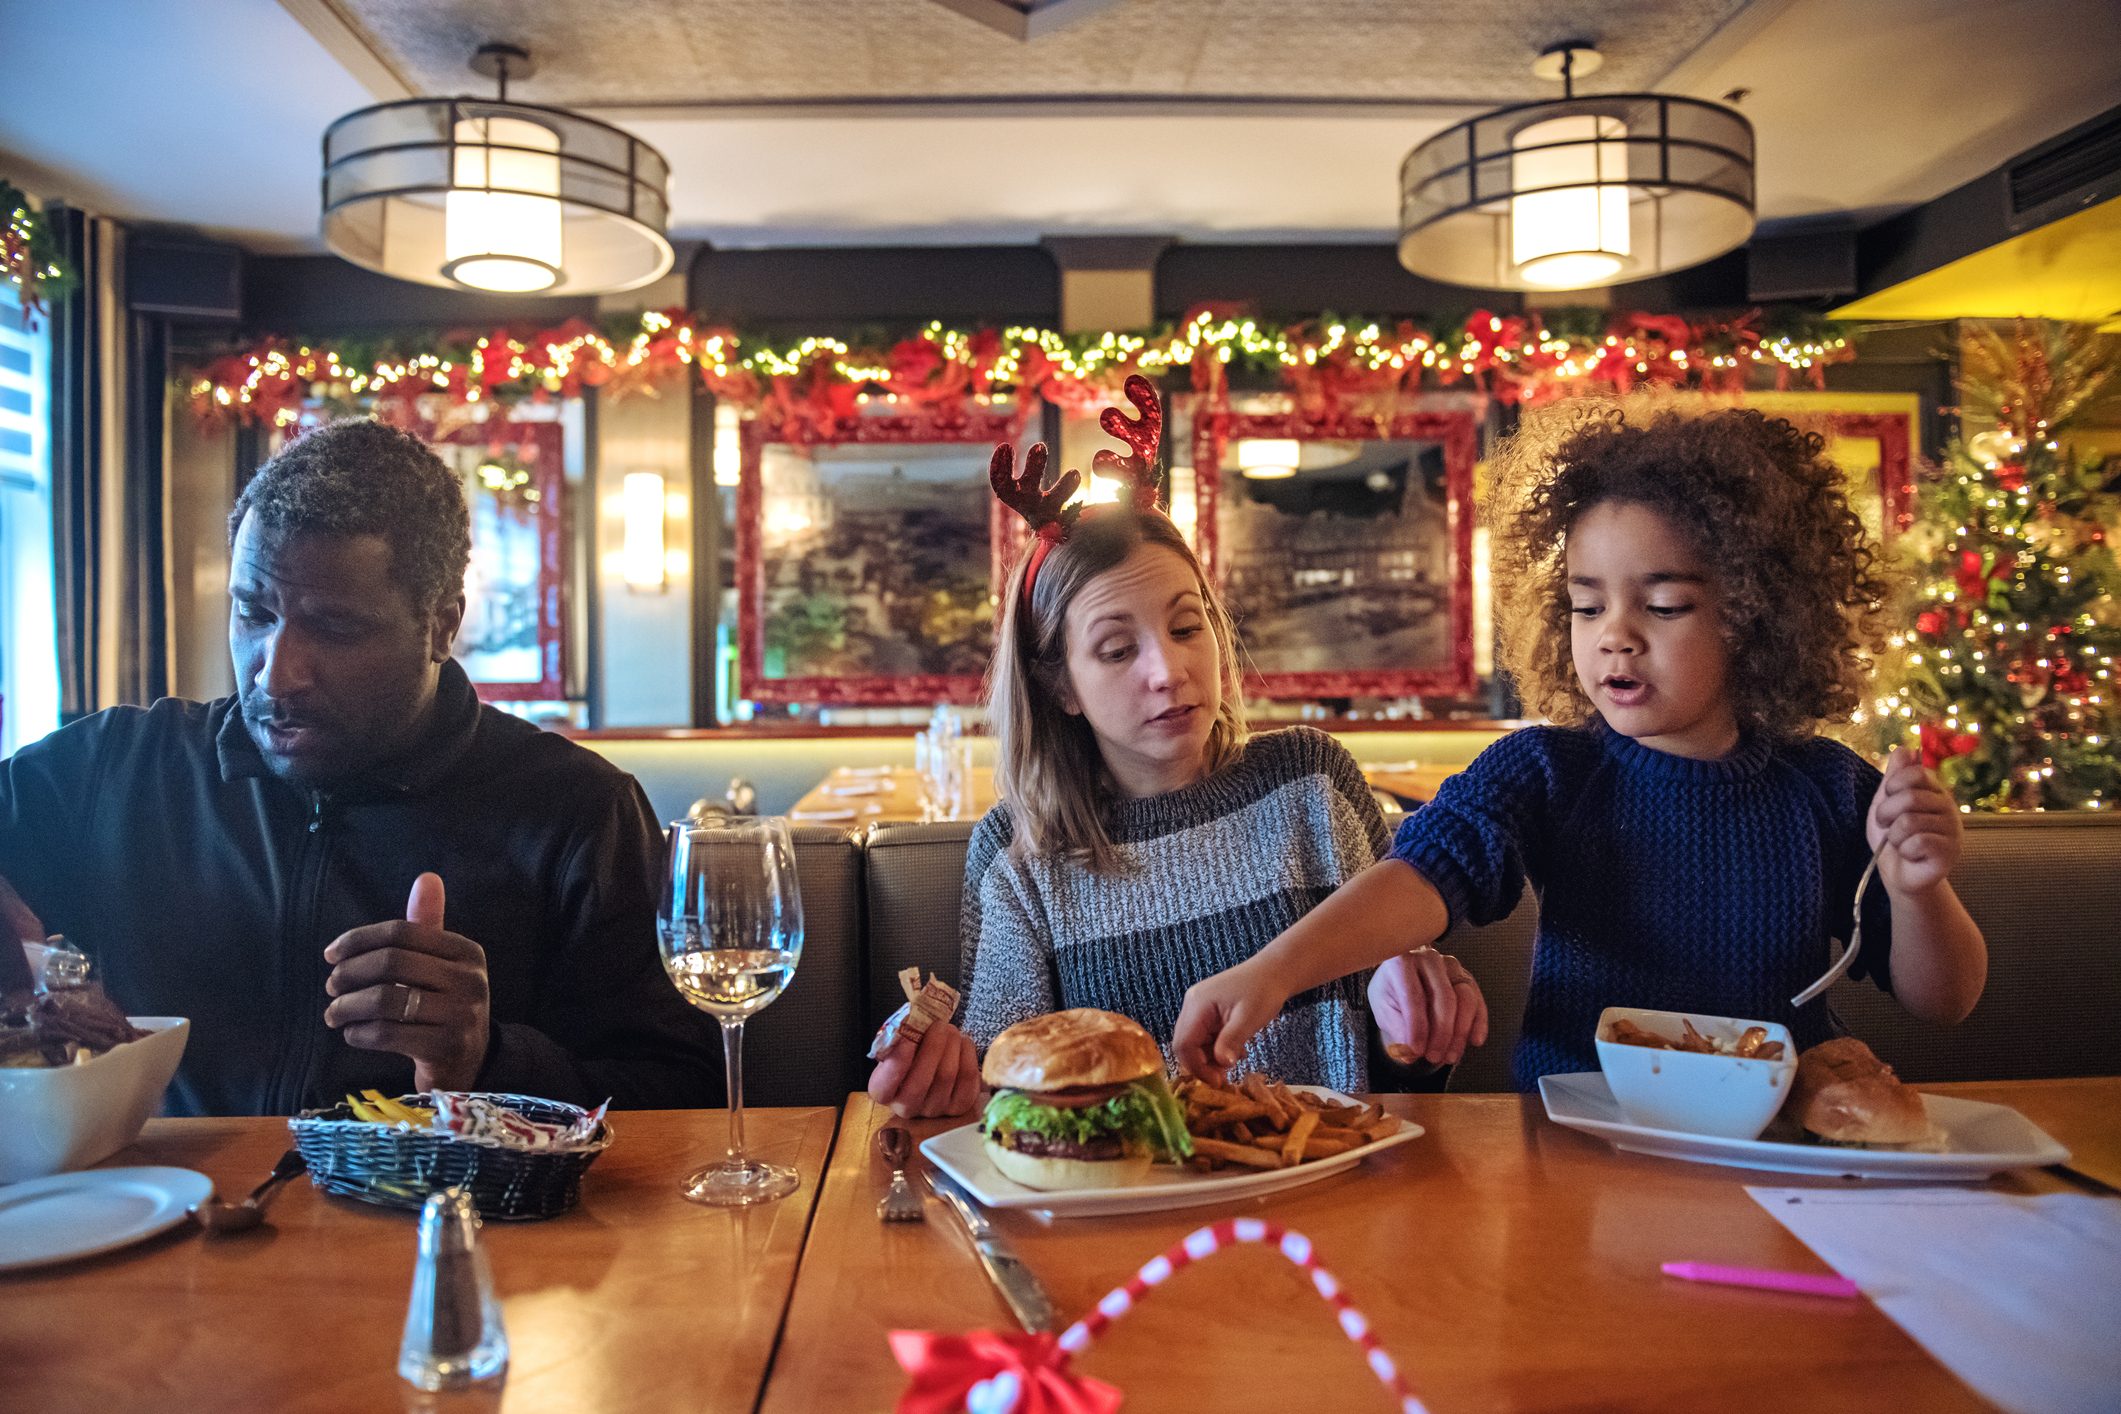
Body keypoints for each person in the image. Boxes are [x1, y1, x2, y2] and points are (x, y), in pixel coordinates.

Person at [1173, 402, 1987, 1090]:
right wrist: (1270, 974)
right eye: (1585, 606)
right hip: (1579, 1135)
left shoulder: (1830, 787)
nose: (1614, 639)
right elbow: (1422, 875)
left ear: (1757, 616)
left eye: (1663, 606)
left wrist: (1919, 890)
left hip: (1775, 1138)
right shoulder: (1549, 772)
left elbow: (1943, 1001)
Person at [0, 418, 720, 1116]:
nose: (276, 674)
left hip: (449, 1227)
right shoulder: (116, 770)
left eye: (335, 627)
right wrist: (25, 970)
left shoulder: (575, 809)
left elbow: (683, 1096)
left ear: (441, 625)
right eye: (254, 613)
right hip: (168, 1218)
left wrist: (485, 1062)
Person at [867, 378, 1488, 1117]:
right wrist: (942, 1075)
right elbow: (1007, 1082)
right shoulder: (1020, 853)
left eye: (1187, 628)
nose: (1168, 672)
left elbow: (1387, 1065)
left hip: (1328, 1194)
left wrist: (1410, 1028)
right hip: (1119, 1210)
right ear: (1060, 685)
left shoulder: (1310, 782)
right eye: (1117, 650)